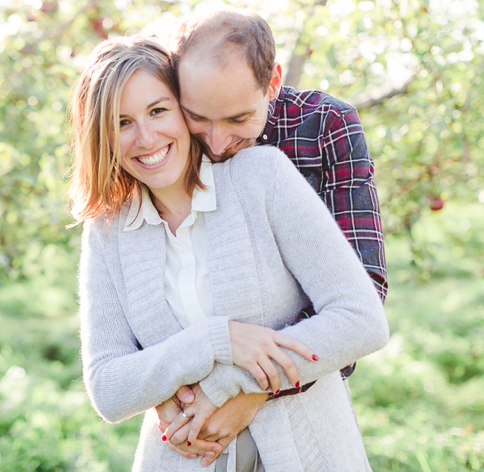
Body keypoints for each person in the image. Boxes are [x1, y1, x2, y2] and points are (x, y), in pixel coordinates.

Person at [70, 35, 389, 471]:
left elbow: (361, 320)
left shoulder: (262, 178)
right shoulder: (107, 230)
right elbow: (108, 388)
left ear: (185, 110)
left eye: (158, 111)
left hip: (309, 454)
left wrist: (231, 384)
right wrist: (215, 340)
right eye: (121, 122)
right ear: (100, 134)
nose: (146, 137)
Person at [154, 8, 389, 465]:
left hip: (302, 404)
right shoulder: (167, 138)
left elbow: (365, 289)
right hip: (192, 411)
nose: (217, 143)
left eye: (239, 119)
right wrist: (162, 387)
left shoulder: (326, 127)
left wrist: (253, 389)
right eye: (198, 117)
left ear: (274, 82)